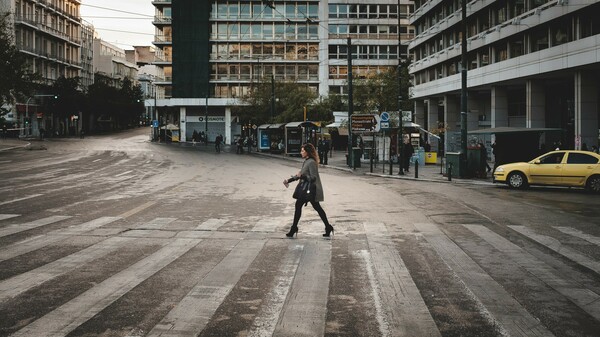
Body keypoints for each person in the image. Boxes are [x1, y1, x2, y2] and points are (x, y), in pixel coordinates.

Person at [283, 143, 333, 238]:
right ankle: (328, 227)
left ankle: (294, 228)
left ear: (307, 152)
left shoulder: (311, 162)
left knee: (304, 206)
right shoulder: (306, 161)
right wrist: (288, 180)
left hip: (310, 190)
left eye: (303, 151)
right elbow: (300, 174)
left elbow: (313, 178)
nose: (301, 152)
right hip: (306, 189)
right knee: (316, 208)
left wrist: (302, 176)